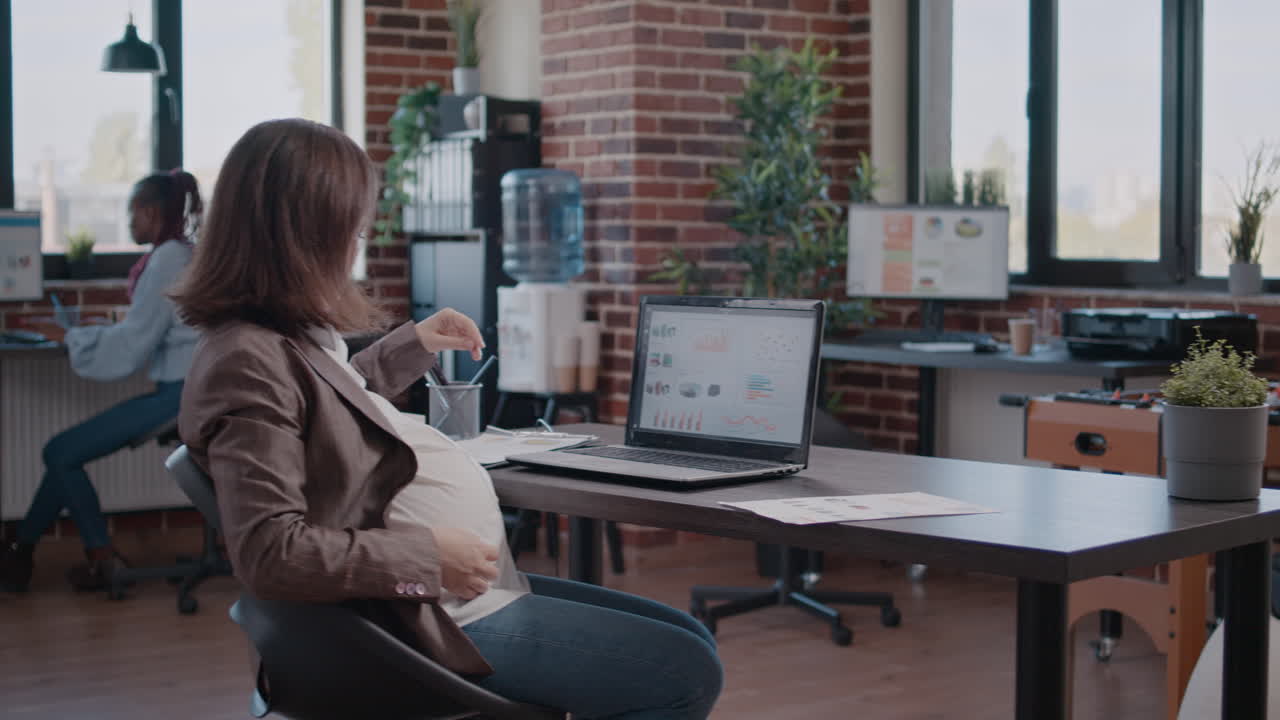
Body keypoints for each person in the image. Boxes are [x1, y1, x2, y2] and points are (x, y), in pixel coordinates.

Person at [167, 118, 722, 719]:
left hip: (447, 597)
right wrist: (428, 558)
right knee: (685, 672)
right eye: (352, 229)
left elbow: (328, 405)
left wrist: (412, 345)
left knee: (691, 639)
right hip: (415, 619)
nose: (357, 244)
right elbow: (272, 554)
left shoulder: (278, 338)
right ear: (305, 237)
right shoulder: (246, 360)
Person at [0, 170, 203, 593]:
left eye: (132, 213)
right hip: (188, 389)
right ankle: (23, 551)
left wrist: (69, 336)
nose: (129, 222)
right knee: (63, 454)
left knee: (60, 452)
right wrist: (95, 330)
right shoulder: (182, 253)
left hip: (178, 396)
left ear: (150, 212)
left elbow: (133, 345)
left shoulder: (167, 259)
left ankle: (97, 558)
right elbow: (150, 328)